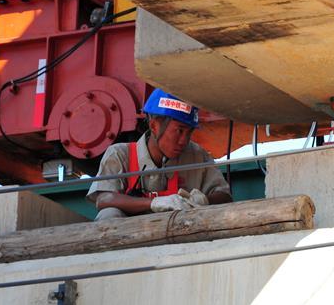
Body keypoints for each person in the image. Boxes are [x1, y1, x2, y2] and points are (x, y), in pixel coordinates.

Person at [87, 88, 232, 220]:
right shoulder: (120, 154)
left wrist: (205, 200)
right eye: (179, 131)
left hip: (183, 239)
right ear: (154, 126)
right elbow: (103, 199)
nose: (184, 141)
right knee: (108, 214)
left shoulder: (198, 156)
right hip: (131, 237)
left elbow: (225, 196)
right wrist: (153, 203)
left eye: (189, 132)